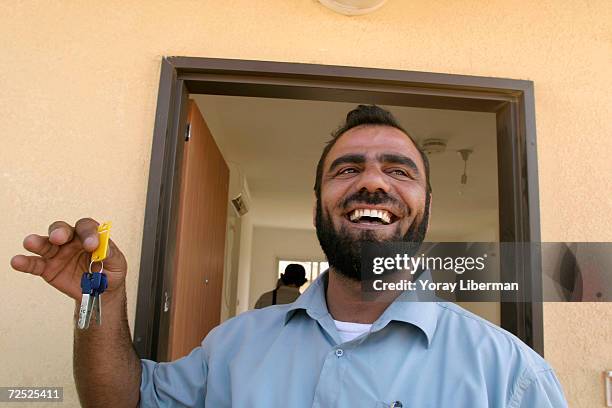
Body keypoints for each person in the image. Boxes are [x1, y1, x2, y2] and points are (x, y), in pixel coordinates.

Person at [10, 105, 567, 407]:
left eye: (399, 170)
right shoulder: (233, 346)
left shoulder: (511, 376)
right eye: (347, 169)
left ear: (425, 205)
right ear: (319, 204)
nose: (372, 182)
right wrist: (99, 303)